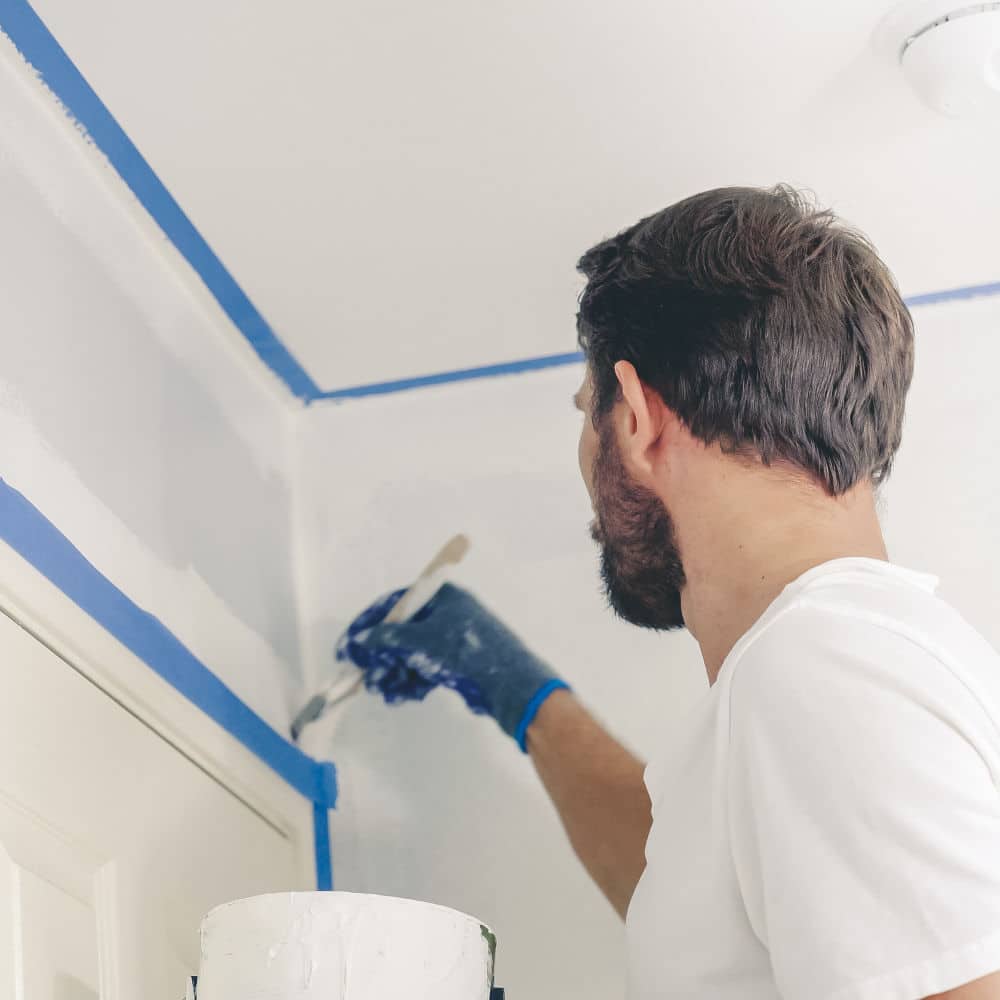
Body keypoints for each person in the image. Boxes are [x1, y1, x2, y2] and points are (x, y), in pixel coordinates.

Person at [339, 186, 1000, 999]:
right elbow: (692, 895)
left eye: (590, 411)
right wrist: (518, 692)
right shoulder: (858, 661)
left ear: (638, 419)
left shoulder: (820, 670)